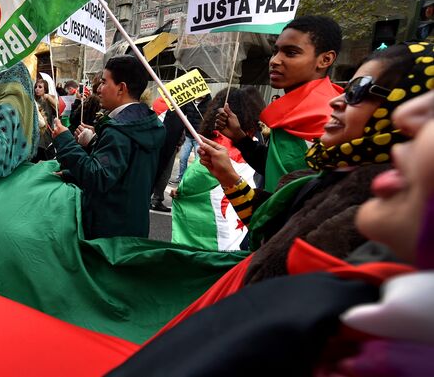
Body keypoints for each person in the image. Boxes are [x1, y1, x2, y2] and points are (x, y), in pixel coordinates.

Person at [108, 87, 434, 377]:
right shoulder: (318, 178)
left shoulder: (358, 305)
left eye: (359, 91)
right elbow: (269, 222)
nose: (337, 100)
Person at [199, 43, 433, 283]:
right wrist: (230, 174)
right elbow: (272, 226)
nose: (336, 102)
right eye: (274, 51)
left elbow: (286, 268)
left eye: (358, 90)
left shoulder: (383, 203)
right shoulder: (331, 171)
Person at [217, 16, 344, 192]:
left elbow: (300, 202)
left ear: (325, 60)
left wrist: (230, 178)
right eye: (275, 52)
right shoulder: (295, 112)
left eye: (291, 53)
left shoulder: (330, 120)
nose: (274, 61)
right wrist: (240, 138)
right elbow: (277, 172)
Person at [51, 55, 166, 239]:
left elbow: (98, 177)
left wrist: (65, 140)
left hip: (108, 231)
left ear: (121, 88)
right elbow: (123, 175)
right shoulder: (147, 123)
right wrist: (71, 172)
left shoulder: (119, 130)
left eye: (104, 82)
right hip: (133, 226)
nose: (98, 89)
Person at [169, 87, 265, 251]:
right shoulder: (252, 142)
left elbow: (199, 176)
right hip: (237, 216)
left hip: (210, 223)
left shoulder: (220, 146)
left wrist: (182, 190)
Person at [172, 95, 210, 183]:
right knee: (183, 158)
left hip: (199, 137)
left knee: (198, 161)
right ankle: (181, 178)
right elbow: (181, 112)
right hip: (188, 136)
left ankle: (194, 181)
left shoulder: (209, 103)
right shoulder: (189, 101)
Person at [34, 78, 58, 160]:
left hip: (46, 132)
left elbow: (58, 107)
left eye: (40, 87)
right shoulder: (35, 101)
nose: (37, 89)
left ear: (45, 89)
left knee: (43, 154)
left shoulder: (47, 99)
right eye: (36, 86)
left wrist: (48, 97)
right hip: (37, 132)